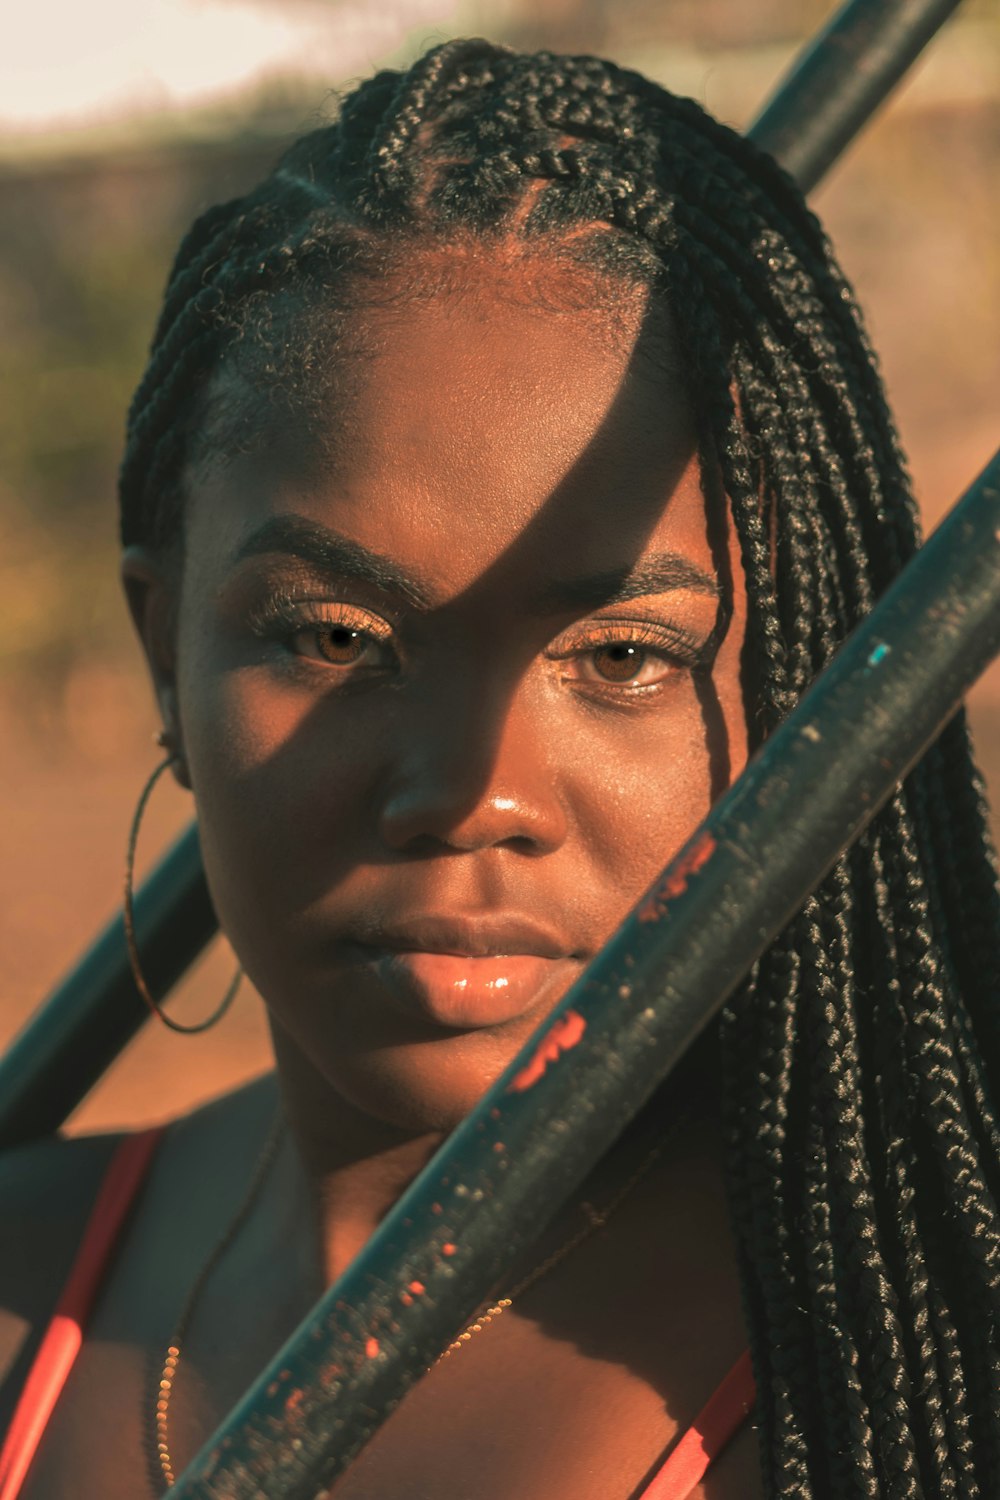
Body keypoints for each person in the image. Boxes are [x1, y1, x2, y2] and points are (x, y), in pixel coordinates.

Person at [1, 36, 998, 1500]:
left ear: (803, 685)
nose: (474, 795)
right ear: (167, 655)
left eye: (621, 658)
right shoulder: (24, 1276)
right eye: (338, 636)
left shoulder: (908, 1368)